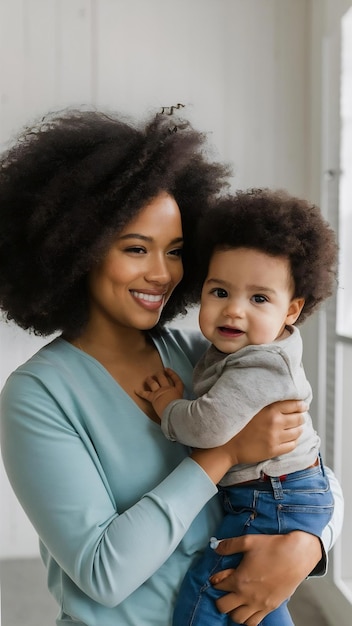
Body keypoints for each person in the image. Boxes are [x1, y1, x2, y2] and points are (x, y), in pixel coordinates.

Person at [0, 109, 343, 626]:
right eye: (137, 248)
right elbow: (103, 573)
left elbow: (311, 473)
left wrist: (309, 547)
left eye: (177, 251)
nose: (162, 274)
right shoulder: (38, 395)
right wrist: (224, 453)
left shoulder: (198, 353)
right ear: (78, 250)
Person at [138, 188, 338, 626]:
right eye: (220, 291)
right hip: (288, 490)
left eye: (259, 298)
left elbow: (208, 427)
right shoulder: (237, 349)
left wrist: (169, 406)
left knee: (212, 588)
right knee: (258, 603)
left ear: (293, 310)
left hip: (273, 496)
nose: (234, 311)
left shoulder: (260, 363)